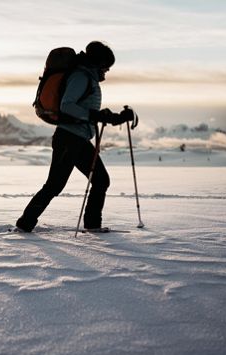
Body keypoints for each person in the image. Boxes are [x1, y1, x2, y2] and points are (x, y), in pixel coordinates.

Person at [15, 41, 138, 232]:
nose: (107, 71)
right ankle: (25, 224)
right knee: (55, 185)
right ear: (98, 63)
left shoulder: (88, 77)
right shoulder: (81, 76)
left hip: (79, 139)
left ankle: (92, 225)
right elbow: (67, 105)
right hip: (68, 139)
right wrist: (96, 116)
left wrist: (117, 117)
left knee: (100, 180)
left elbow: (90, 111)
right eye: (106, 66)